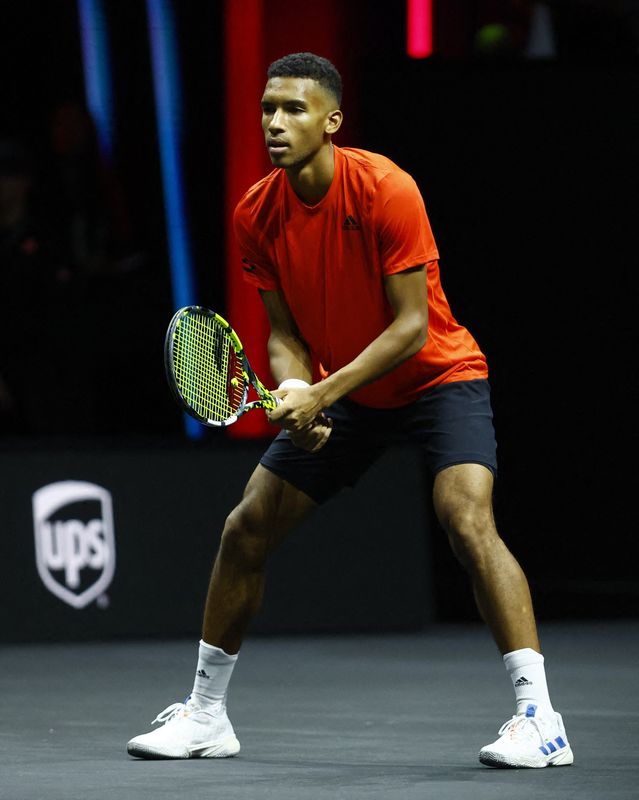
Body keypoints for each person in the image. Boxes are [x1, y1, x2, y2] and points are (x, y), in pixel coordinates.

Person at [127, 52, 573, 769]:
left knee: (465, 517)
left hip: (437, 378)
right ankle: (206, 715)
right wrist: (295, 388)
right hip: (348, 391)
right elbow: (283, 335)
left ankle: (539, 717)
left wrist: (320, 393)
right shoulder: (256, 212)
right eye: (268, 108)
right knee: (244, 528)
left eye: (293, 109)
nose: (275, 122)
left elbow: (408, 328)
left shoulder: (385, 189)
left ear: (331, 121)